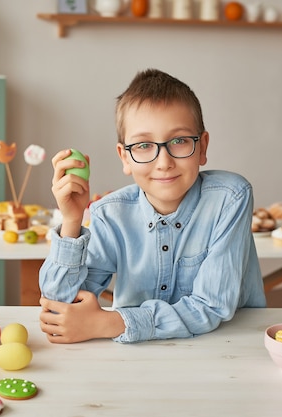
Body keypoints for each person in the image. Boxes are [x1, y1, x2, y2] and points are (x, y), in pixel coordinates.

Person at [39, 68, 266, 344]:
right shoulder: (111, 214)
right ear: (125, 157)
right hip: (138, 362)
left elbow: (212, 305)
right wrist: (72, 221)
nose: (164, 162)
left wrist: (111, 323)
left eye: (180, 141)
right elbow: (59, 310)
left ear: (203, 147)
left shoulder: (230, 198)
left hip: (231, 348)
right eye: (144, 145)